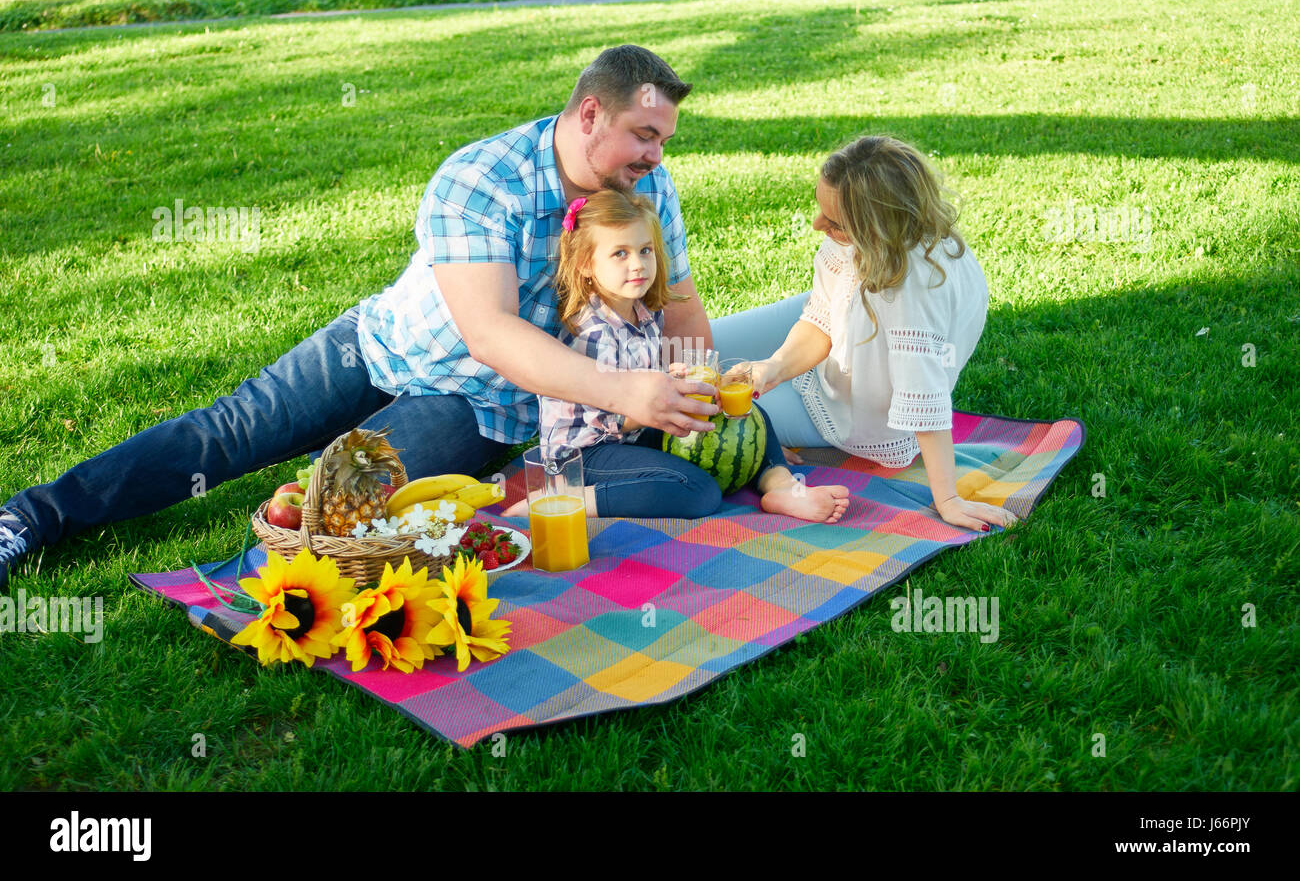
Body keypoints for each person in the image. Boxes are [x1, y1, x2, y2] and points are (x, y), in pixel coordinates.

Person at [0, 45, 719, 589]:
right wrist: (622, 389)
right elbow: (491, 331)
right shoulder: (482, 179)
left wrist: (691, 384)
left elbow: (679, 300)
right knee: (231, 429)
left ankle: (237, 591)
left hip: (479, 405)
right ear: (590, 114)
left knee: (340, 492)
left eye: (663, 141)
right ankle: (32, 516)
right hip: (382, 344)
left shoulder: (649, 190)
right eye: (644, 135)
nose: (655, 156)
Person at [717, 135, 1019, 534]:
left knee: (704, 406)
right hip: (845, 340)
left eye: (835, 224)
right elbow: (822, 317)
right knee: (698, 346)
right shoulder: (870, 240)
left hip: (850, 409)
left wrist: (948, 499)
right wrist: (774, 368)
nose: (817, 225)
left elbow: (924, 395)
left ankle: (616, 428)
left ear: (876, 227)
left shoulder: (911, 293)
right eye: (820, 208)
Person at [499, 190, 849, 522]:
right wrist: (668, 400)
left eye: (645, 250)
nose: (637, 264)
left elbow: (650, 378)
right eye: (619, 254)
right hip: (586, 455)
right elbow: (607, 420)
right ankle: (564, 501)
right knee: (697, 492)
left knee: (744, 408)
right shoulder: (591, 333)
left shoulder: (643, 313)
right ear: (586, 265)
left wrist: (679, 383)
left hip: (636, 434)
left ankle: (779, 483)